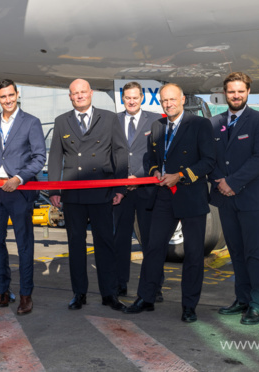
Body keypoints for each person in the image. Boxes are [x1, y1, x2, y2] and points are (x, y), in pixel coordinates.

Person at [124, 83, 215, 323]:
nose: (168, 104)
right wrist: (154, 172)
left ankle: (189, 306)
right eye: (164, 101)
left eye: (172, 100)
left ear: (183, 100)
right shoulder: (157, 126)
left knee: (194, 254)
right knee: (153, 248)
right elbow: (151, 159)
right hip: (164, 194)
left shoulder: (199, 124)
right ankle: (146, 297)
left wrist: (181, 175)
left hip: (190, 194)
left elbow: (208, 161)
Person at [48, 79, 127, 311]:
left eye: (83, 92)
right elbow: (55, 157)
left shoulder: (109, 118)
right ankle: (79, 293)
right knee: (76, 245)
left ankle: (109, 294)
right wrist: (54, 189)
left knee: (105, 244)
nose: (80, 96)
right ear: (70, 97)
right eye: (75, 93)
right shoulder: (62, 121)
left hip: (102, 192)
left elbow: (120, 153)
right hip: (73, 195)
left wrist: (120, 188)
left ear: (91, 93)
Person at [0, 79, 46, 315]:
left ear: (17, 94)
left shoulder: (31, 122)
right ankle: (0, 293)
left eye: (11, 95)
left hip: (19, 191)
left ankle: (26, 295)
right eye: (3, 97)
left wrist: (19, 178)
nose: (7, 100)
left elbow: (38, 157)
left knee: (24, 244)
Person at [209, 72, 259, 325]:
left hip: (252, 199)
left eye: (240, 91)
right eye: (231, 91)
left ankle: (258, 304)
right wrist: (220, 182)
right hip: (226, 199)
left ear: (248, 92)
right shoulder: (214, 123)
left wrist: (232, 183)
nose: (235, 95)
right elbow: (210, 158)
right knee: (236, 251)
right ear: (224, 93)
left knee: (255, 253)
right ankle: (243, 299)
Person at [113, 82, 162, 300]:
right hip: (120, 191)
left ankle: (153, 286)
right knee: (120, 240)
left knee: (151, 241)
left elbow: (159, 154)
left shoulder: (155, 120)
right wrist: (121, 181)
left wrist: (139, 177)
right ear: (122, 99)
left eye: (135, 97)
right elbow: (109, 155)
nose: (131, 101)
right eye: (127, 98)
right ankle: (120, 283)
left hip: (147, 189)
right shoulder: (113, 121)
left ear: (142, 98)